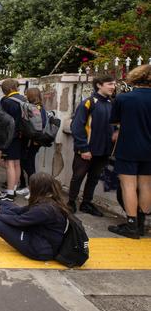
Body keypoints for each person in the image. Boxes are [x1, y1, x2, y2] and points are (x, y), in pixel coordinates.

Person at [108, 65, 151, 239]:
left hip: (128, 147)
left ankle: (131, 225)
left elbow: (115, 122)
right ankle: (142, 224)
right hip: (149, 149)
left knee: (128, 186)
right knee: (146, 185)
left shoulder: (124, 98)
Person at [68, 75, 117, 216]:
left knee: (94, 178)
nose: (113, 87)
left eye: (114, 84)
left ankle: (86, 203)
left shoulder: (112, 103)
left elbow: (116, 124)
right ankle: (70, 203)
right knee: (78, 177)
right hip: (86, 151)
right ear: (99, 85)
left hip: (104, 151)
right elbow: (76, 127)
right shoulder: (88, 103)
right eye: (109, 84)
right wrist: (83, 148)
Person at [0, 79, 26, 202]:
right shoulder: (23, 99)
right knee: (17, 164)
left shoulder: (6, 101)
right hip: (22, 136)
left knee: (9, 165)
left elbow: (1, 121)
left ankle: (9, 194)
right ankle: (12, 189)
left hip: (10, 137)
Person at [18, 88, 48, 198]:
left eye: (27, 94)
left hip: (33, 140)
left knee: (28, 163)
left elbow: (39, 125)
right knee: (25, 162)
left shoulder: (37, 108)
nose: (25, 96)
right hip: (30, 139)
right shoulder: (36, 107)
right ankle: (27, 186)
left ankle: (34, 190)